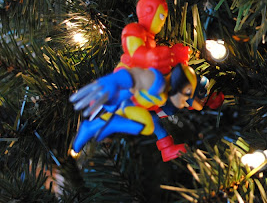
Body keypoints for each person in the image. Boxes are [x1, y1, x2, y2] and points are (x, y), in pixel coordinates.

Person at [70, 64, 200, 161]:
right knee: (146, 125)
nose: (185, 98)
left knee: (148, 124)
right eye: (187, 92)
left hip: (133, 106)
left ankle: (95, 126)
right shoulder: (157, 82)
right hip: (124, 101)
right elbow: (136, 76)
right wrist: (115, 80)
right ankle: (104, 125)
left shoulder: (164, 93)